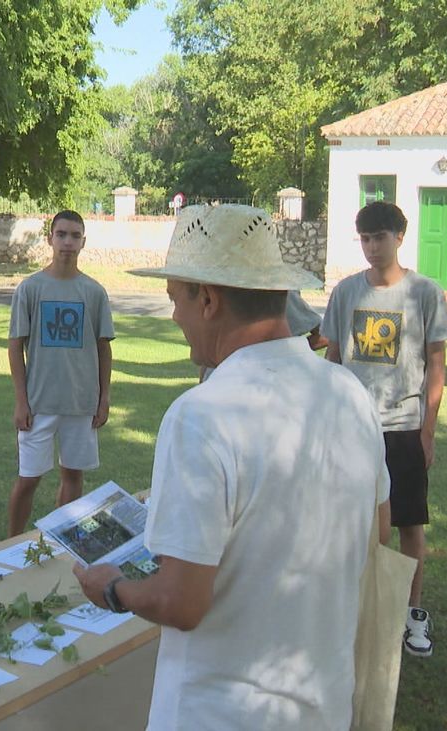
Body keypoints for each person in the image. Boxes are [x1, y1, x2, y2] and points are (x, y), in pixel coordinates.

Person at [74, 204, 390, 730]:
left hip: (221, 710)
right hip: (322, 703)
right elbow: (374, 534)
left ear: (208, 298)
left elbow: (181, 601)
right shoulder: (350, 394)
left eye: (175, 298)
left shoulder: (200, 415)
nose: (174, 317)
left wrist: (111, 587)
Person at [321, 200, 447, 657]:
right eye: (365, 238)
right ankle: (358, 604)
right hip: (352, 426)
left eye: (381, 237)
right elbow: (332, 356)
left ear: (400, 236)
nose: (373, 247)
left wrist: (428, 428)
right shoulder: (345, 293)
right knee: (354, 520)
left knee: (409, 521)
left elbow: (436, 362)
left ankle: (413, 612)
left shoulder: (424, 293)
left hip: (403, 425)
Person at [7, 210, 115, 536]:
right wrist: (21, 401)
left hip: (81, 402)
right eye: (62, 234)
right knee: (29, 479)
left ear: (84, 242)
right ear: (50, 238)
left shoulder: (94, 292)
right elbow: (15, 346)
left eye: (75, 236)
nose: (68, 242)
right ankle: (10, 543)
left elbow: (103, 348)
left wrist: (104, 397)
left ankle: (60, 540)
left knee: (73, 476)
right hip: (39, 403)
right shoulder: (30, 289)